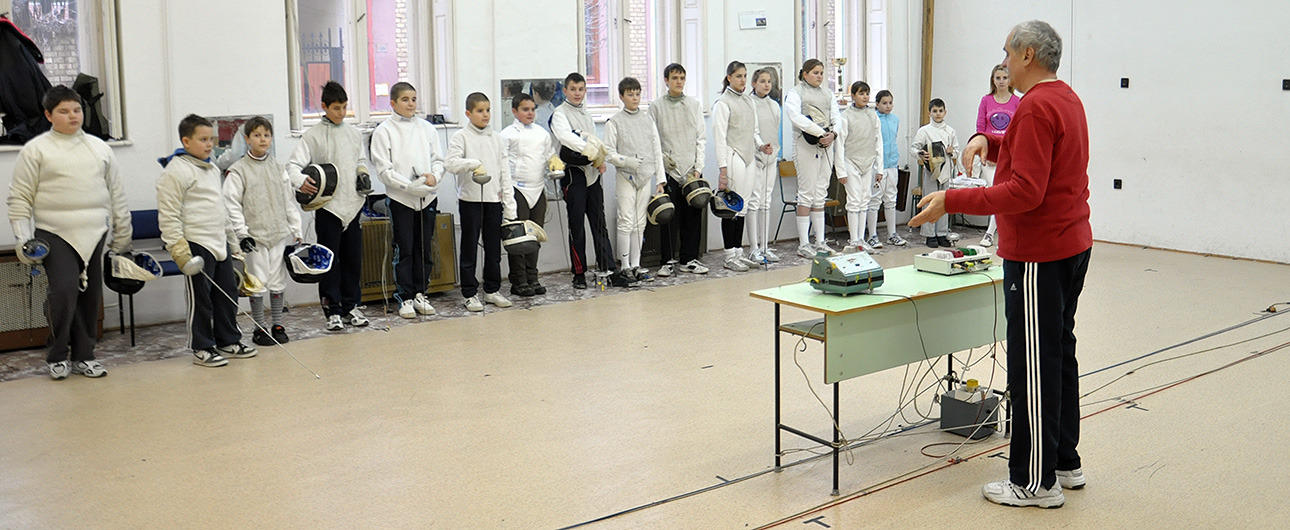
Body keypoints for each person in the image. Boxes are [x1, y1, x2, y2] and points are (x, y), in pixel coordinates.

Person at [911, 20, 1091, 509]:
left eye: (1009, 53)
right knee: (1057, 353)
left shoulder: (1034, 106)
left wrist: (952, 199)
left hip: (1039, 253)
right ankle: (1064, 461)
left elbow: (1026, 191)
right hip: (1071, 244)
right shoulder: (1064, 98)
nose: (1005, 62)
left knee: (1033, 364)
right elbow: (1035, 155)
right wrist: (987, 142)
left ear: (1028, 55)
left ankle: (1034, 482)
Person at [6, 85, 131, 379]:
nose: (73, 116)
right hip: (54, 232)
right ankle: (57, 354)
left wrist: (123, 232)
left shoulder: (99, 148)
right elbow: (19, 197)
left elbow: (116, 193)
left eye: (77, 110)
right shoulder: (36, 150)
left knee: (90, 296)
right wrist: (23, 240)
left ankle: (84, 356)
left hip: (95, 231)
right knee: (63, 293)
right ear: (49, 115)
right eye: (64, 111)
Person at [157, 114, 257, 367]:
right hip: (195, 244)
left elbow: (221, 209)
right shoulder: (175, 171)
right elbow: (168, 216)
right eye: (203, 140)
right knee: (201, 298)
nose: (209, 144)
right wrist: (180, 251)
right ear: (186, 141)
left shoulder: (212, 168)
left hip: (219, 241)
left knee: (228, 294)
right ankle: (202, 346)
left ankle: (228, 340)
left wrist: (233, 245)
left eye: (211, 139)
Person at [287, 81, 373, 331]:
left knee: (352, 259)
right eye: (336, 108)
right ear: (324, 106)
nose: (341, 113)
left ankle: (351, 306)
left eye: (344, 107)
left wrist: (363, 173)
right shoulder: (312, 136)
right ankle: (332, 310)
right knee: (328, 261)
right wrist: (301, 181)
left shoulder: (353, 133)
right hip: (328, 207)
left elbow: (360, 159)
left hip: (353, 205)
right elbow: (293, 166)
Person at [223, 116, 304, 345]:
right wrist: (242, 234)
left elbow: (288, 201)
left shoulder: (278, 168)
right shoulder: (238, 170)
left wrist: (296, 228)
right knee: (256, 282)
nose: (262, 139)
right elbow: (231, 205)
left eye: (266, 135)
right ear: (247, 139)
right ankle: (259, 328)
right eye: (257, 135)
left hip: (277, 233)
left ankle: (277, 324)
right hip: (254, 237)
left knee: (277, 281)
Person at [370, 82, 443, 319]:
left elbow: (438, 160)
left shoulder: (427, 128)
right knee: (404, 249)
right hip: (400, 198)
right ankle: (405, 297)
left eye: (413, 99)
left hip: (427, 197)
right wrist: (408, 186)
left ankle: (421, 293)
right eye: (405, 99)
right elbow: (384, 170)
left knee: (424, 248)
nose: (411, 104)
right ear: (393, 103)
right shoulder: (384, 131)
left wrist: (434, 176)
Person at [445, 92, 515, 312]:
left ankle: (492, 290)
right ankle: (469, 293)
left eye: (488, 110)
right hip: (470, 200)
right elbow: (450, 164)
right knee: (469, 248)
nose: (485, 115)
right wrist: (473, 163)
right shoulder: (461, 137)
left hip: (493, 200)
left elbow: (504, 171)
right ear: (468, 113)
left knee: (493, 248)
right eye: (480, 111)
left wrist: (509, 203)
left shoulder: (497, 138)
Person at [551, 72, 617, 289]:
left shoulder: (587, 114)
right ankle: (579, 274)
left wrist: (599, 159)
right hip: (573, 175)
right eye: (573, 89)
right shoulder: (559, 114)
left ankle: (608, 268)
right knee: (577, 227)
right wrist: (591, 152)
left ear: (585, 91)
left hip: (592, 175)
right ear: (565, 91)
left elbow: (594, 140)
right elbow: (566, 138)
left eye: (580, 89)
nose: (577, 93)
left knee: (599, 224)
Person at [648, 63, 709, 277]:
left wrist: (698, 168)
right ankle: (667, 261)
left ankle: (688, 259)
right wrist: (661, 169)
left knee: (693, 217)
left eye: (682, 78)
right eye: (674, 78)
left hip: (691, 170)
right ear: (666, 80)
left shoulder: (694, 105)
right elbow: (653, 141)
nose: (679, 82)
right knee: (668, 217)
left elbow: (701, 138)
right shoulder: (656, 107)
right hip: (669, 171)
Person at [604, 77, 665, 287]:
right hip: (625, 176)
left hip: (645, 176)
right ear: (622, 96)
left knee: (640, 222)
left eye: (637, 94)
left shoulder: (648, 121)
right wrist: (625, 161)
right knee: (626, 221)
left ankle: (636, 265)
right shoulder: (614, 122)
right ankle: (625, 267)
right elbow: (607, 152)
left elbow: (657, 150)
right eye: (630, 94)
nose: (635, 98)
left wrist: (660, 179)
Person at [712, 61, 772, 271]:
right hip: (732, 155)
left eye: (745, 76)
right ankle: (729, 255)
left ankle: (738, 252)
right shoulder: (722, 103)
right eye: (738, 76)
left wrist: (760, 145)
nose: (743, 80)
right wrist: (723, 169)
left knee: (743, 206)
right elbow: (719, 138)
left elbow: (753, 131)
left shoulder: (748, 101)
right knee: (731, 207)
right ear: (729, 78)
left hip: (749, 157)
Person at [500, 93, 557, 297]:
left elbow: (549, 154)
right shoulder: (507, 135)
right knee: (518, 237)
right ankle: (519, 280)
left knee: (535, 236)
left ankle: (533, 277)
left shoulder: (542, 133)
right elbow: (501, 164)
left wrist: (554, 161)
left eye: (533, 109)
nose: (530, 113)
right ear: (514, 111)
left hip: (538, 189)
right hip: (517, 189)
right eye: (525, 109)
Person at [784, 58, 842, 257]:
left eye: (821, 73)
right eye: (815, 72)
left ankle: (820, 242)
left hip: (826, 145)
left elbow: (836, 116)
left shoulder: (828, 94)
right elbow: (795, 116)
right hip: (805, 145)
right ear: (805, 73)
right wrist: (820, 132)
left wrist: (833, 133)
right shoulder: (796, 92)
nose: (819, 76)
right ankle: (803, 244)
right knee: (806, 193)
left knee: (820, 194)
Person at [835, 81, 883, 253]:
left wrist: (879, 168)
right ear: (853, 96)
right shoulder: (845, 116)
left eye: (867, 93)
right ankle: (854, 240)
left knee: (865, 200)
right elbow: (839, 145)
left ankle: (861, 239)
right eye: (861, 93)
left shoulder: (873, 115)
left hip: (868, 162)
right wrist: (841, 171)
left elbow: (878, 143)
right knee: (854, 201)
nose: (865, 97)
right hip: (851, 161)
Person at [975, 64, 1021, 247]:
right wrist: (986, 153)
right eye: (998, 78)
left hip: (1008, 156)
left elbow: (1019, 129)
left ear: (1010, 80)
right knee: (995, 192)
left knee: (1004, 194)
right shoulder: (986, 101)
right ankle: (992, 232)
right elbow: (980, 129)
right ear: (993, 80)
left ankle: (991, 232)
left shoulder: (1017, 101)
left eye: (1005, 78)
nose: (1001, 81)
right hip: (989, 158)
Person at [910, 98, 958, 247]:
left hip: (945, 171)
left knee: (944, 203)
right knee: (930, 202)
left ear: (945, 112)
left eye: (940, 111)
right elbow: (914, 148)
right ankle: (929, 235)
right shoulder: (924, 131)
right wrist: (920, 154)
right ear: (929, 113)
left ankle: (942, 233)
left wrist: (952, 151)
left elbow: (957, 150)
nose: (938, 114)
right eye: (935, 111)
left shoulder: (950, 131)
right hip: (931, 171)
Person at [748, 67, 783, 263]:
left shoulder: (774, 105)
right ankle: (753, 248)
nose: (766, 84)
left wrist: (773, 151)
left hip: (771, 157)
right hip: (755, 157)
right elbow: (752, 131)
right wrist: (761, 147)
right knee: (754, 201)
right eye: (762, 81)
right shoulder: (749, 103)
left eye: (769, 81)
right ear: (754, 84)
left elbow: (775, 129)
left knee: (766, 202)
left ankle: (765, 247)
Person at [872, 90, 907, 247]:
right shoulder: (873, 119)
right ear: (877, 104)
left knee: (891, 200)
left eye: (890, 103)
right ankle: (872, 235)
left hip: (892, 165)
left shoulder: (895, 120)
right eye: (884, 103)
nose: (888, 106)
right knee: (874, 200)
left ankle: (892, 234)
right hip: (877, 166)